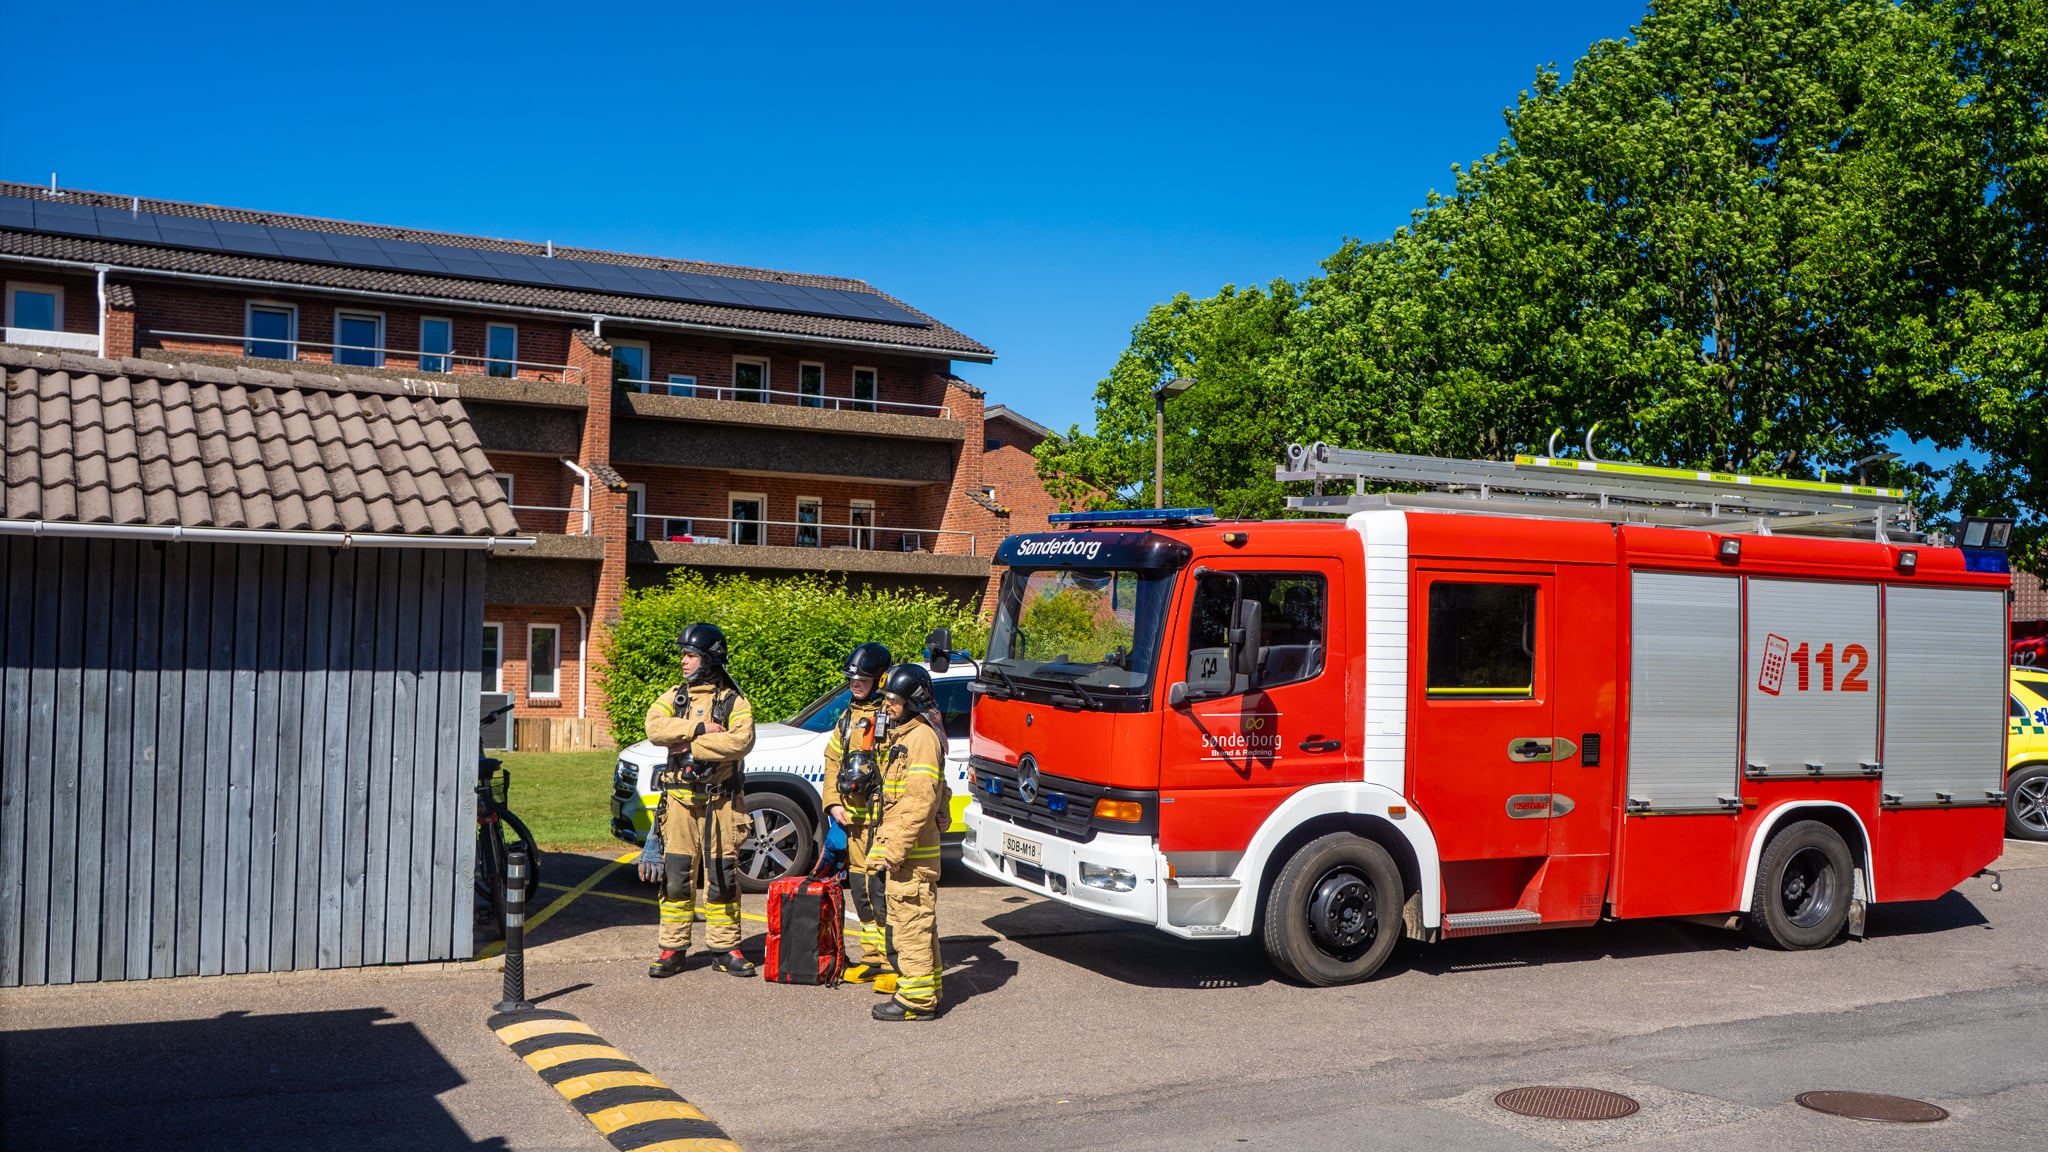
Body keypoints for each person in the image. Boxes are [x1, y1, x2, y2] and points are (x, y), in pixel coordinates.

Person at [639, 623, 758, 978]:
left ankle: (725, 949)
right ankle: (672, 949)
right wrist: (699, 730)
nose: (683, 661)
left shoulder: (734, 701)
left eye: (690, 655)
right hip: (679, 802)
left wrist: (688, 746)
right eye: (684, 655)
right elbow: (654, 728)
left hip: (722, 805)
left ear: (709, 660)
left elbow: (741, 742)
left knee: (722, 877)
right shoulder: (675, 697)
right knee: (676, 877)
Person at [865, 663, 947, 1021]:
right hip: (909, 852)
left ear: (913, 702)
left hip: (911, 855)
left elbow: (919, 799)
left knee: (911, 926)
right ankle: (929, 989)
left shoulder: (921, 738)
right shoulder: (907, 736)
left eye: (894, 700)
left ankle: (915, 1000)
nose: (888, 705)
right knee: (919, 925)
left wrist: (895, 850)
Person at [820, 642, 895, 988]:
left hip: (882, 822)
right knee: (861, 891)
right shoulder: (848, 716)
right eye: (852, 678)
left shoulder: (894, 715)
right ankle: (871, 959)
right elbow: (832, 760)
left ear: (880, 679)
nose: (855, 683)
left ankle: (893, 963)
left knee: (883, 892)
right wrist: (833, 802)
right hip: (853, 822)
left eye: (862, 678)